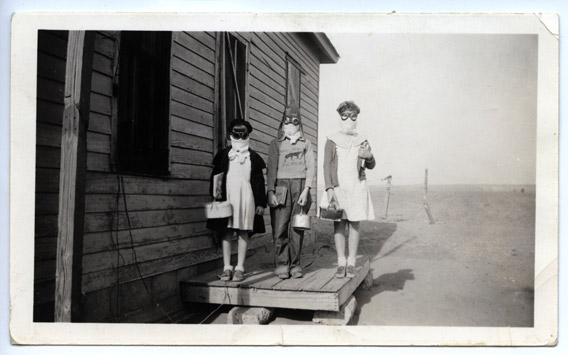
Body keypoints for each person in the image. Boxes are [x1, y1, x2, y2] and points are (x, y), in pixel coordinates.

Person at [320, 101, 376, 278]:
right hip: (338, 187)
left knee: (354, 223)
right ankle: (341, 262)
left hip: (356, 187)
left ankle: (351, 262)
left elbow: (371, 164)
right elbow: (326, 165)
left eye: (353, 116)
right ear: (340, 116)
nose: (349, 119)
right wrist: (329, 189)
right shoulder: (331, 139)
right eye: (345, 115)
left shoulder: (362, 139)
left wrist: (369, 157)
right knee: (339, 224)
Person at [207, 119, 267, 282]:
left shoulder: (253, 157)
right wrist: (215, 198)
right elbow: (215, 178)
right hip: (226, 197)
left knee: (243, 231)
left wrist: (261, 203)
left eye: (244, 133)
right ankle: (227, 267)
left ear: (248, 134)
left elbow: (259, 182)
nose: (240, 136)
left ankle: (240, 267)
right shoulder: (223, 155)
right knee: (225, 231)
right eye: (236, 132)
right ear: (230, 134)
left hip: (246, 197)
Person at [266, 107, 316, 279]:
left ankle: (295, 265)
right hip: (280, 186)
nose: (290, 124)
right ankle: (281, 265)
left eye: (294, 121)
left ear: (299, 123)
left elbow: (311, 168)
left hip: (300, 188)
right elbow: (271, 169)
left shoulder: (306, 143)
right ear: (282, 123)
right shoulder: (275, 144)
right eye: (286, 120)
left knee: (297, 227)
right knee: (279, 228)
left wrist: (306, 190)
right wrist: (271, 191)